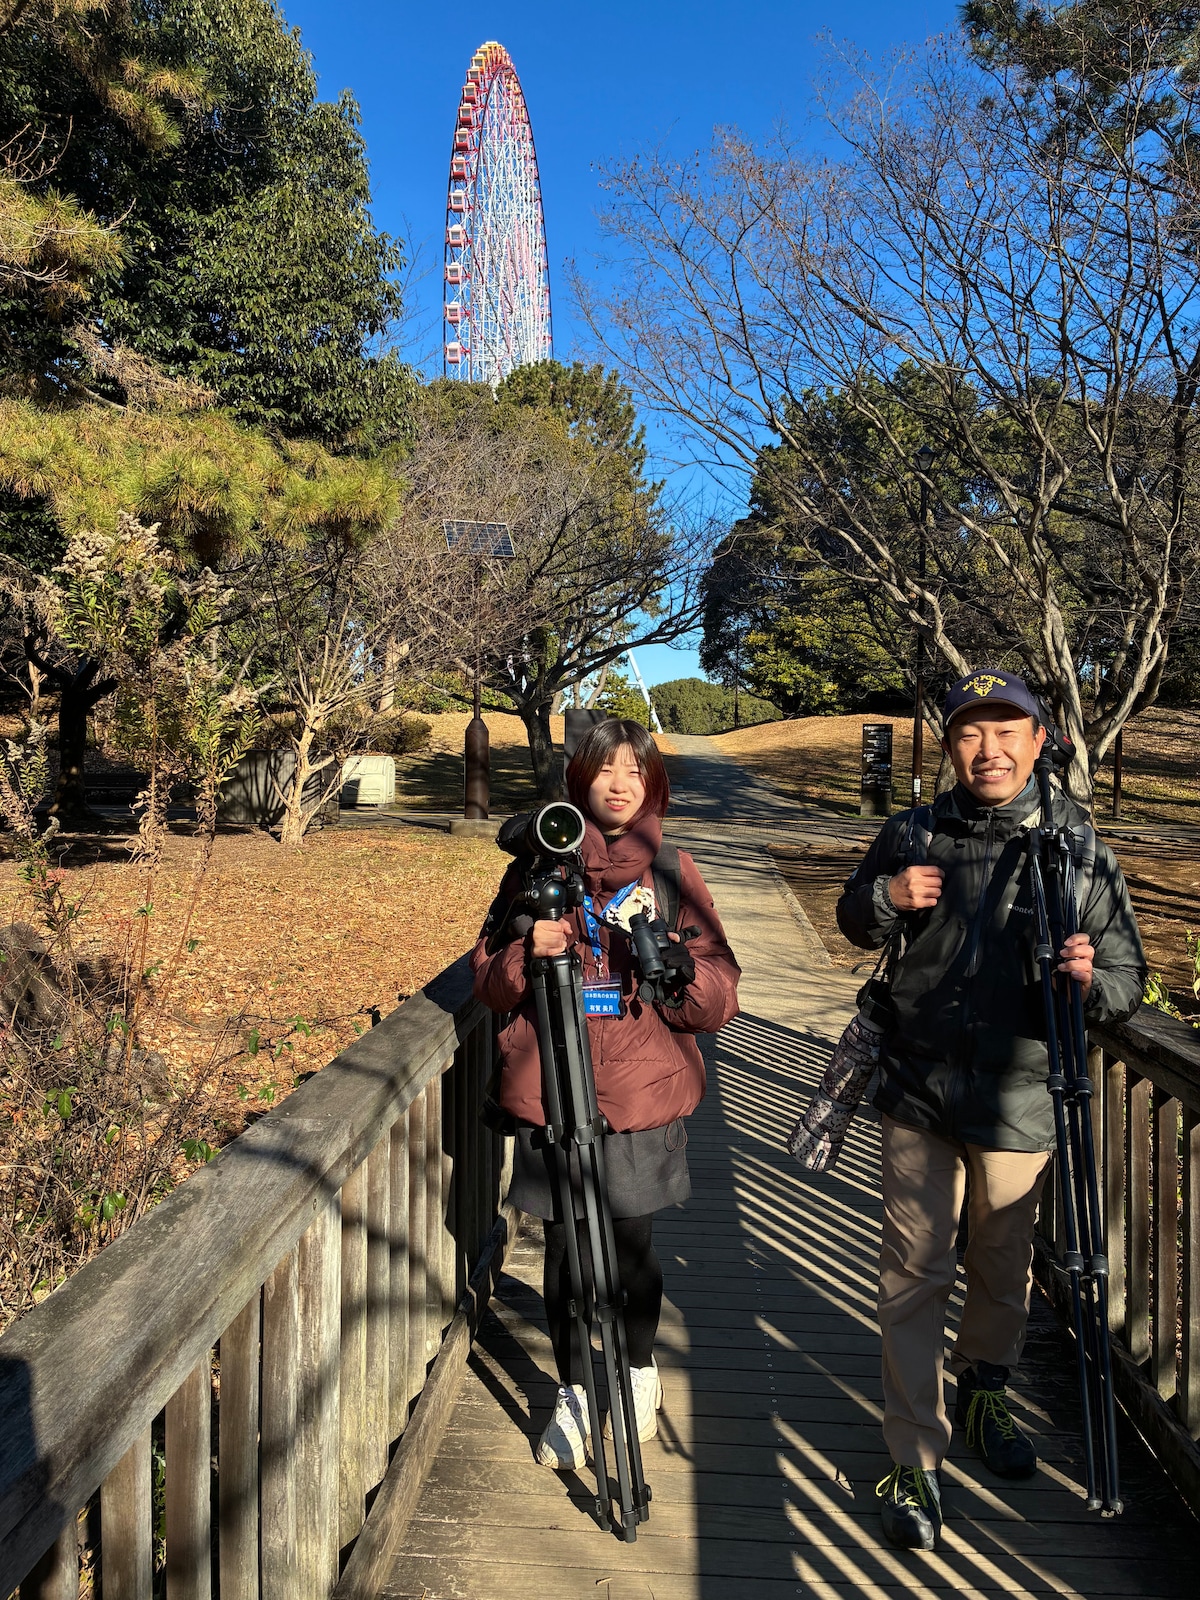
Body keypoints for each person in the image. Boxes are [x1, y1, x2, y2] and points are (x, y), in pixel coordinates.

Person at [836, 669, 1145, 1553]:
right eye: (971, 732)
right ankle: (912, 1453)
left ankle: (982, 1391)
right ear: (950, 745)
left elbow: (1126, 979)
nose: (989, 749)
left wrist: (1092, 980)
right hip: (918, 1086)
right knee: (913, 1267)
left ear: (1040, 743)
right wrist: (884, 900)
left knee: (1003, 1264)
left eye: (1008, 732)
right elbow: (854, 916)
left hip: (1022, 1093)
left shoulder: (1077, 846)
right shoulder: (914, 829)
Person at [471, 718, 740, 1470]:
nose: (618, 784)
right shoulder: (534, 864)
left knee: (630, 1247)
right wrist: (530, 949)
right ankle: (575, 1390)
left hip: (640, 1090)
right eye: (603, 770)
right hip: (551, 1086)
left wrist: (682, 974)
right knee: (562, 1250)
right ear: (578, 781)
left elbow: (720, 993)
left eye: (634, 770)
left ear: (653, 783)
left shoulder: (672, 871)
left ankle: (638, 1367)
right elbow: (488, 981)